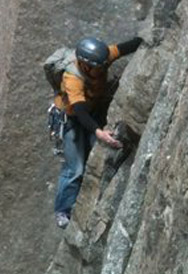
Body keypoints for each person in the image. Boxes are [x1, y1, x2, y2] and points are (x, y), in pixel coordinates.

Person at [53, 36, 143, 229]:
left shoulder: (101, 58)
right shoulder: (72, 77)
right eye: (98, 68)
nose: (103, 69)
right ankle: (62, 210)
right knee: (74, 168)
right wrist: (99, 132)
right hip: (71, 119)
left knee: (97, 154)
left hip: (90, 110)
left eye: (103, 66)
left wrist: (148, 39)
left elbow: (126, 46)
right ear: (85, 66)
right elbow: (80, 111)